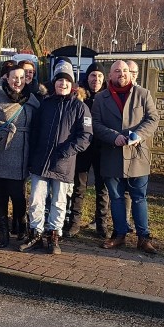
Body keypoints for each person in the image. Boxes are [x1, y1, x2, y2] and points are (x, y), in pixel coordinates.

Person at [19, 60, 92, 254]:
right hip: (41, 162)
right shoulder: (45, 104)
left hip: (63, 163)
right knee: (36, 199)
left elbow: (85, 136)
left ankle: (54, 235)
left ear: (72, 84)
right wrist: (33, 156)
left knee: (59, 202)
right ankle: (35, 232)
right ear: (55, 83)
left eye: (67, 81)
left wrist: (66, 152)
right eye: (60, 80)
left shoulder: (80, 108)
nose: (63, 84)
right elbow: (35, 132)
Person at [91, 60, 160, 253]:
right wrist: (114, 137)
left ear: (130, 74)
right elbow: (95, 124)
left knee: (139, 197)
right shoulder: (100, 98)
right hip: (112, 154)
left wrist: (138, 134)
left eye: (125, 70)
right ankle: (119, 234)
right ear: (110, 76)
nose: (121, 73)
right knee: (116, 197)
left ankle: (143, 237)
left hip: (137, 155)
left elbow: (153, 119)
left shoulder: (143, 94)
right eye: (117, 71)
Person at [0, 60, 40, 248]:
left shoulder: (33, 99)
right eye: (15, 78)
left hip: (22, 151)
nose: (18, 81)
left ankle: (20, 223)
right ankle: (3, 232)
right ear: (7, 78)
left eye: (22, 78)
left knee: (18, 196)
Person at [65, 62, 109, 238]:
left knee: (102, 188)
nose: (96, 79)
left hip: (102, 148)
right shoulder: (78, 95)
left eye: (99, 76)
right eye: (93, 75)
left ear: (104, 79)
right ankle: (74, 223)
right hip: (82, 148)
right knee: (79, 187)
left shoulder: (108, 96)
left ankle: (102, 224)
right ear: (87, 77)